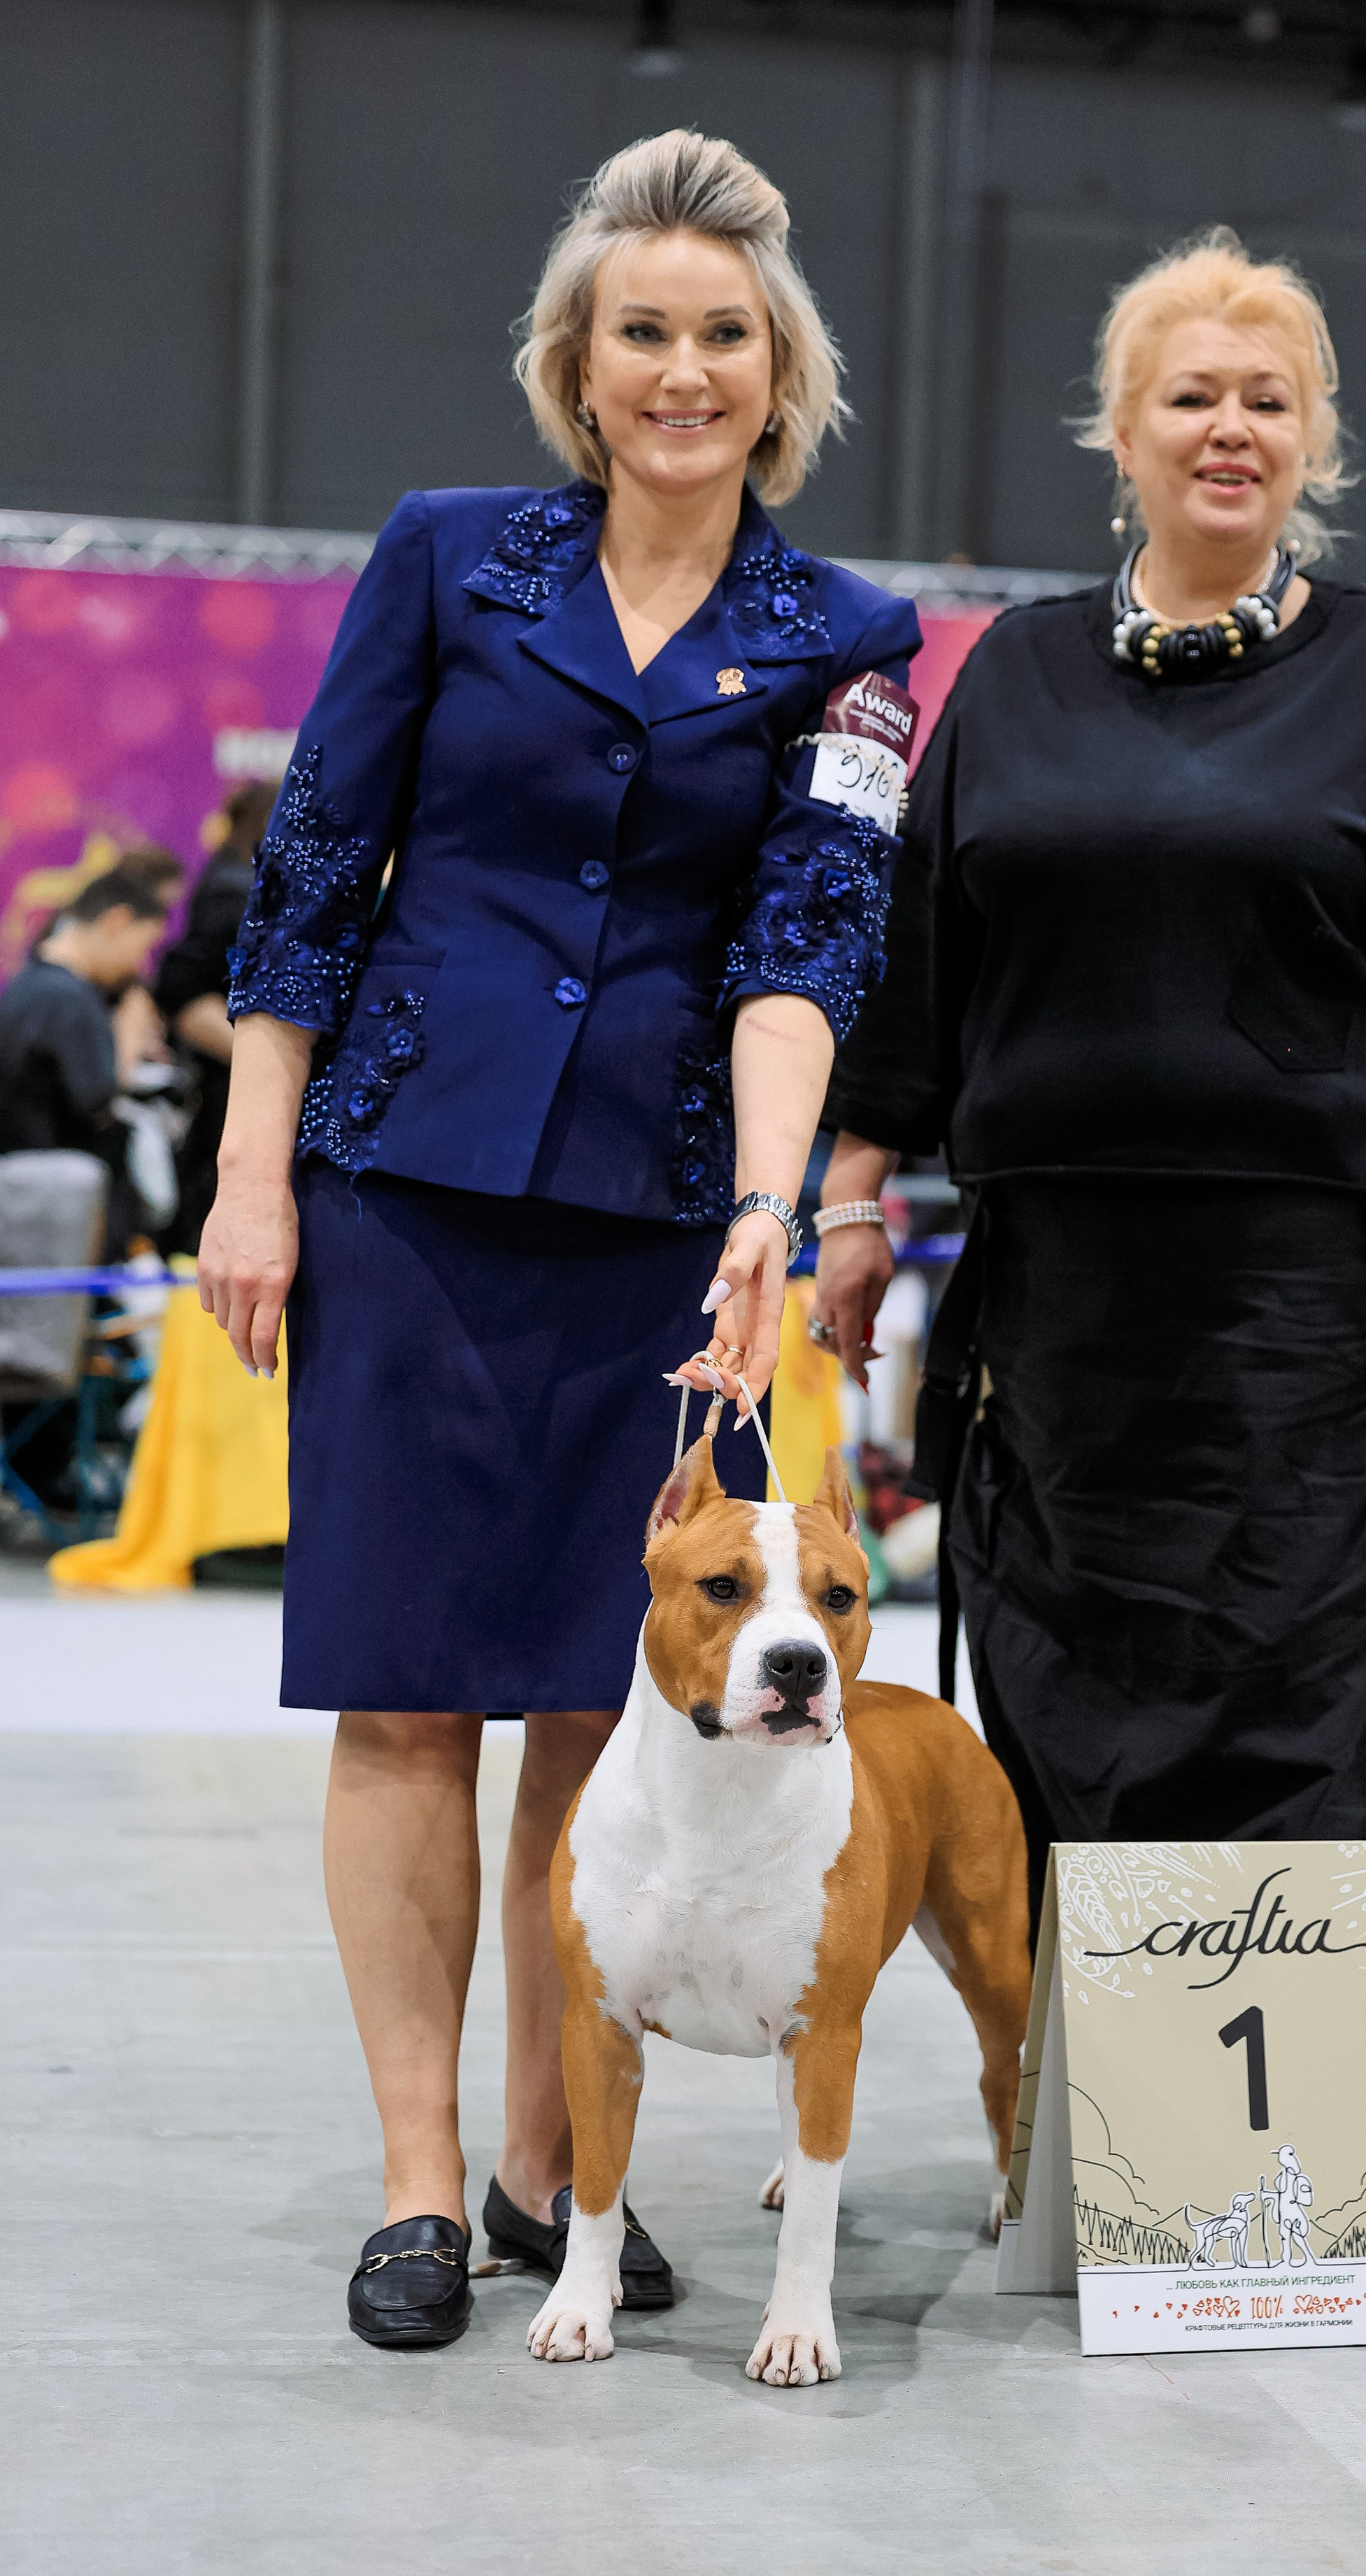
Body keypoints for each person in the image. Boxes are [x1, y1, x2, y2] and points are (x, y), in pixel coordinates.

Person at [196, 131, 918, 2351]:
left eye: (724, 335)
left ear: (775, 373)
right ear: (577, 366)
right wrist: (251, 1161)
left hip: (662, 1230)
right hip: (402, 1191)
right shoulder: (443, 562)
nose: (682, 370)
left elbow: (812, 936)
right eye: (644, 333)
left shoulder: (853, 640)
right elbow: (318, 862)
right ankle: (424, 2178)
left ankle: (551, 2162)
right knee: (405, 1696)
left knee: (589, 1717)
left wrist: (772, 1202)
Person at [814, 228, 1366, 2048]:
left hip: (1311, 1311)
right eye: (1191, 396)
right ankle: (1092, 2117)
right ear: (1122, 433)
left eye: (1268, 400)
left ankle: (1271, 2166)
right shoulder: (1013, 670)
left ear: (1314, 440)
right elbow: (924, 945)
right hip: (1065, 1308)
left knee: (1310, 1669)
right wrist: (851, 1193)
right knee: (1069, 1677)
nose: (1228, 428)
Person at [0, 869, 172, 1251]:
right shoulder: (71, 999)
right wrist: (128, 1035)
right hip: (55, 1211)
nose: (141, 965)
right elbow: (99, 1098)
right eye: (143, 946)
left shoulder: (25, 985)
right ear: (117, 921)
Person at [153, 782, 280, 1256]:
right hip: (230, 1097)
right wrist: (267, 1060)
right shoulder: (237, 893)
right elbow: (180, 989)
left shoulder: (234, 879)